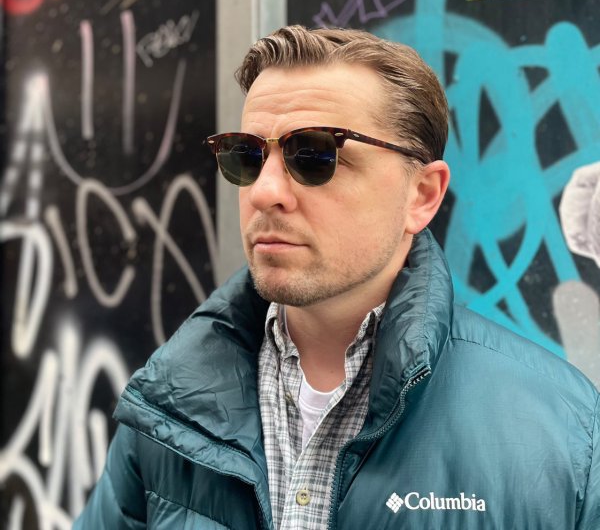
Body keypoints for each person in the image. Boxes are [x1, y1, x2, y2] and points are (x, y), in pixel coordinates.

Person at [74, 26, 600, 529]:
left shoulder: (561, 431)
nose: (264, 192)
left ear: (421, 196)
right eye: (246, 156)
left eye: (314, 155)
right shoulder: (168, 406)